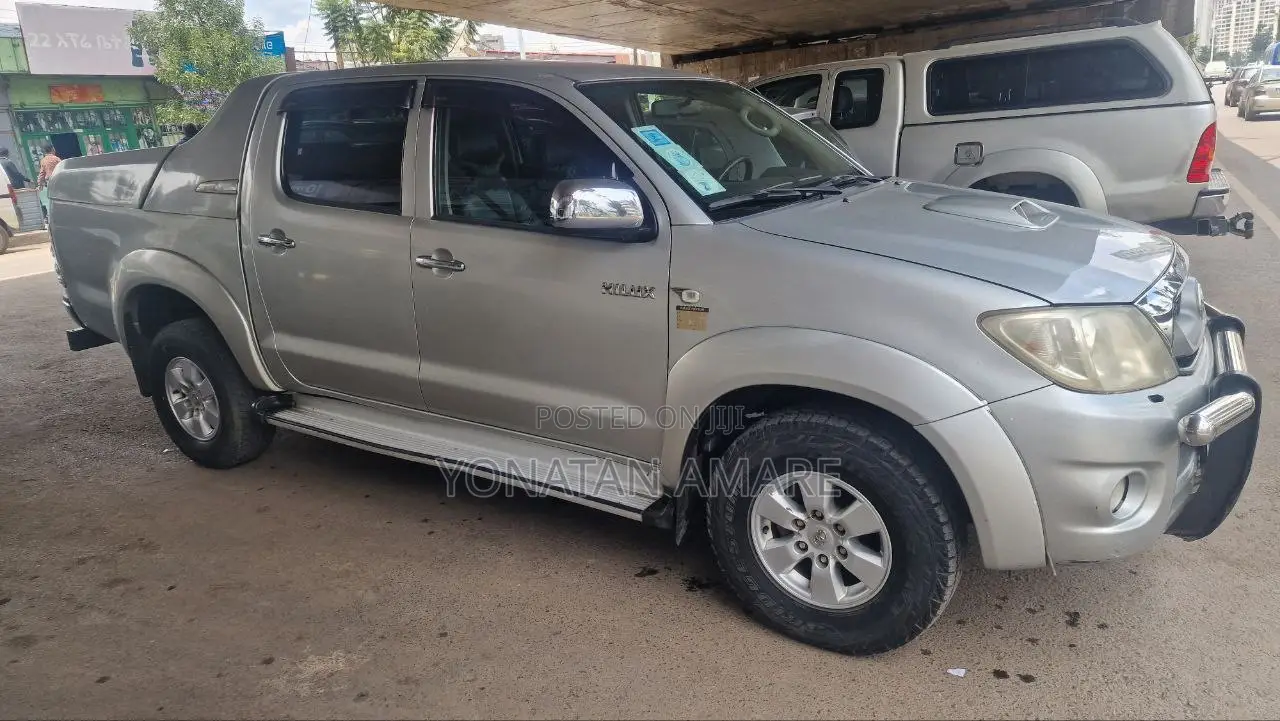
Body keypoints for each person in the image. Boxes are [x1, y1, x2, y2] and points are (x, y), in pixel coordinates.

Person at [37, 143, 61, 225]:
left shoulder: (43, 160)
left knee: (52, 199)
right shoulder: (56, 159)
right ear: (52, 149)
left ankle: (51, 216)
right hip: (58, 181)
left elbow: (42, 173)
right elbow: (62, 170)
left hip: (50, 182)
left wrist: (39, 184)